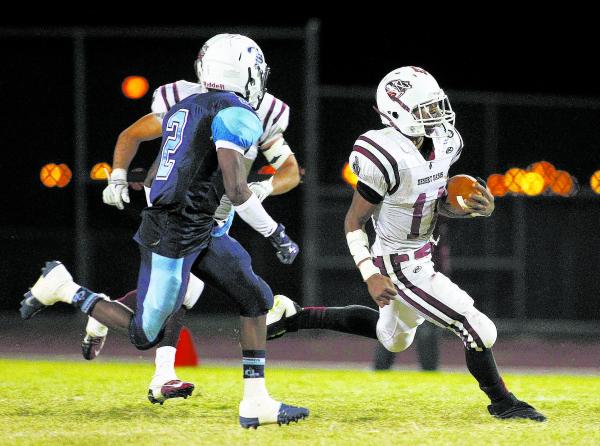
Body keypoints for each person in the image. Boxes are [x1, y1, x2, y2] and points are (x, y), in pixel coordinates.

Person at [20, 34, 308, 429]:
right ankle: (66, 287)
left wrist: (262, 189)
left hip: (205, 222)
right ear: (246, 73)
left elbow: (269, 172)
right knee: (144, 332)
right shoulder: (237, 112)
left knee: (255, 295)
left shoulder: (186, 103)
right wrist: (276, 233)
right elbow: (236, 188)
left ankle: (254, 401)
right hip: (173, 226)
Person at [270, 66, 546, 422]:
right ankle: (504, 403)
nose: (437, 115)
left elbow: (435, 202)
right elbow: (354, 220)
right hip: (396, 263)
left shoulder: (444, 141)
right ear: (398, 112)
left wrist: (474, 208)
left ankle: (294, 317)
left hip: (422, 254)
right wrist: (370, 273)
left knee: (393, 339)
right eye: (426, 109)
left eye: (436, 106)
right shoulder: (383, 154)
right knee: (477, 327)